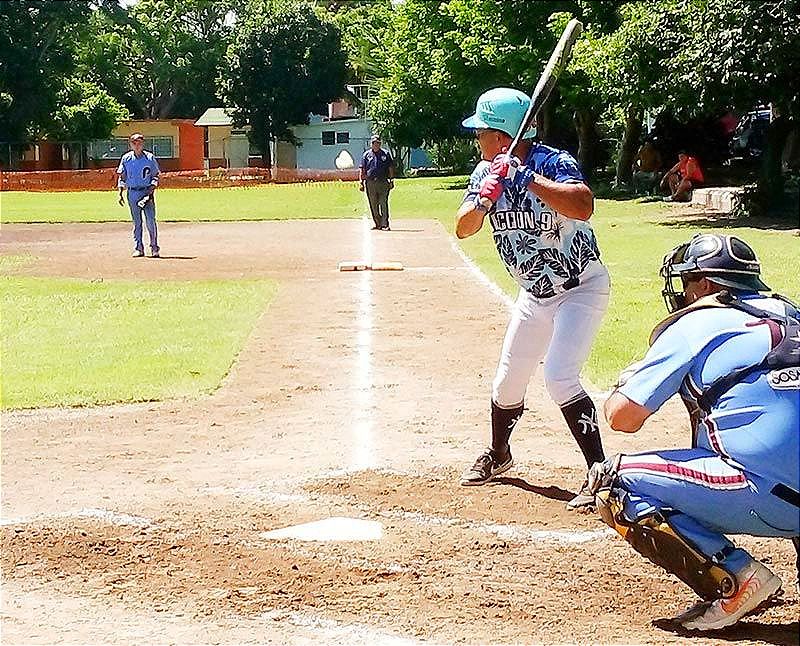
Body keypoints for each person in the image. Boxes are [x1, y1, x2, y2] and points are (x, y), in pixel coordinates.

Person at [581, 233, 799, 631]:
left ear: (708, 285)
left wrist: (625, 383)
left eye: (688, 282)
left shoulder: (697, 322)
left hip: (768, 497)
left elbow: (622, 418)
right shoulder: (792, 313)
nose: (683, 293)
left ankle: (738, 580)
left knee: (613, 483)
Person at [456, 87, 610, 509]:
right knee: (508, 382)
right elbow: (463, 228)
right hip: (535, 294)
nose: (477, 139)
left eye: (481, 131)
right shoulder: (484, 172)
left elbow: (583, 206)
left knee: (559, 375)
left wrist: (526, 178)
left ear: (502, 135)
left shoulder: (553, 163)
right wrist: (484, 200)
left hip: (580, 287)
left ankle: (599, 472)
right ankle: (499, 454)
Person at [117, 133, 160, 258]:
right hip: (132, 192)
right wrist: (120, 192)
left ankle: (154, 247)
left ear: (143, 144)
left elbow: (155, 175)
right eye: (134, 143)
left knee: (150, 221)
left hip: (146, 191)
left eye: (139, 143)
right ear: (130, 144)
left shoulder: (150, 158)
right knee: (137, 222)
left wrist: (151, 191)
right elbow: (122, 176)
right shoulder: (126, 158)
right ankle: (138, 248)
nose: (137, 145)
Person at [359, 134, 395, 230]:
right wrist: (361, 182)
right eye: (374, 143)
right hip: (370, 183)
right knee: (373, 204)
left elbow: (390, 167)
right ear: (371, 144)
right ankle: (377, 223)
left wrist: (391, 180)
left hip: (383, 182)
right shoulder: (366, 155)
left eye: (378, 143)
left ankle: (385, 224)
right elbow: (362, 169)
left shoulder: (385, 154)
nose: (376, 145)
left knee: (383, 203)